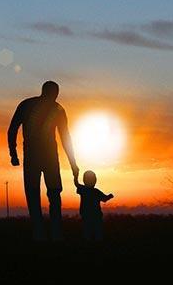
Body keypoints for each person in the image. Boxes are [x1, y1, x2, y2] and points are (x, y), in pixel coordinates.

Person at [7, 81, 79, 241]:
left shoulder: (48, 107)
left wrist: (73, 163)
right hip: (41, 157)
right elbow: (12, 129)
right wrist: (13, 153)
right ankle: (46, 232)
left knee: (47, 194)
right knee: (40, 194)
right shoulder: (46, 107)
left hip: (44, 157)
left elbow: (65, 137)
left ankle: (50, 232)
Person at [74, 170, 114, 241]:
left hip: (86, 215)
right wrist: (109, 196)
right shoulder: (96, 191)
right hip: (96, 216)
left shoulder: (83, 190)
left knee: (87, 233)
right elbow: (104, 199)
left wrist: (75, 175)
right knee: (97, 233)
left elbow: (76, 183)